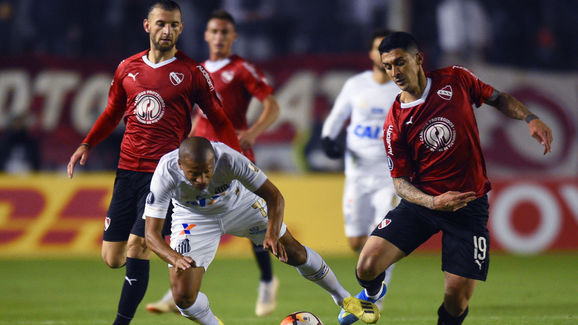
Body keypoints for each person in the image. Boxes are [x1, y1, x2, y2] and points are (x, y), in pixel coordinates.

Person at [341, 31, 553, 324]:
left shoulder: (456, 80)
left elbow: (498, 98)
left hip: (469, 206)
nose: (394, 72)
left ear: (418, 59)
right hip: (424, 204)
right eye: (387, 65)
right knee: (366, 266)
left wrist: (530, 118)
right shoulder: (394, 122)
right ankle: (373, 294)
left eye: (400, 62)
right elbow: (400, 183)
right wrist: (433, 202)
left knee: (456, 300)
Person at [66, 2, 241, 324]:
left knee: (139, 244)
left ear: (181, 28)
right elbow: (111, 113)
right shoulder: (127, 68)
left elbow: (219, 118)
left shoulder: (191, 72)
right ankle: (178, 254)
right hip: (127, 171)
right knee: (113, 257)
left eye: (174, 25)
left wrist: (235, 160)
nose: (167, 31)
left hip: (164, 175)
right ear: (147, 26)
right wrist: (87, 142)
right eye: (161, 24)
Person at [145, 9, 281, 317]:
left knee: (255, 224)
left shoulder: (242, 69)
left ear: (233, 36)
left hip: (231, 157)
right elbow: (197, 116)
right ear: (205, 35)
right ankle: (178, 283)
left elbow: (272, 105)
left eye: (225, 32)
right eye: (214, 32)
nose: (219, 37)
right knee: (188, 220)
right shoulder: (196, 70)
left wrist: (253, 132)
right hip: (197, 158)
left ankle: (267, 281)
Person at [144, 137, 361, 324]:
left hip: (240, 205)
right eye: (194, 174)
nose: (202, 180)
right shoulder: (165, 172)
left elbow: (274, 196)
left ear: (213, 162)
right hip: (194, 218)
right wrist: (175, 257)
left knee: (293, 252)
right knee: (183, 297)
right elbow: (151, 234)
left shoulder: (229, 158)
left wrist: (272, 233)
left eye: (207, 172)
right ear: (180, 165)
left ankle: (343, 298)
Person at [321, 29, 400, 325]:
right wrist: (328, 137)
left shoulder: (400, 88)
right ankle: (374, 279)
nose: (385, 56)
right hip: (356, 173)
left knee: (382, 238)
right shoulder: (356, 85)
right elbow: (338, 115)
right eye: (380, 50)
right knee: (356, 241)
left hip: (389, 175)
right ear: (371, 54)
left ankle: (375, 295)